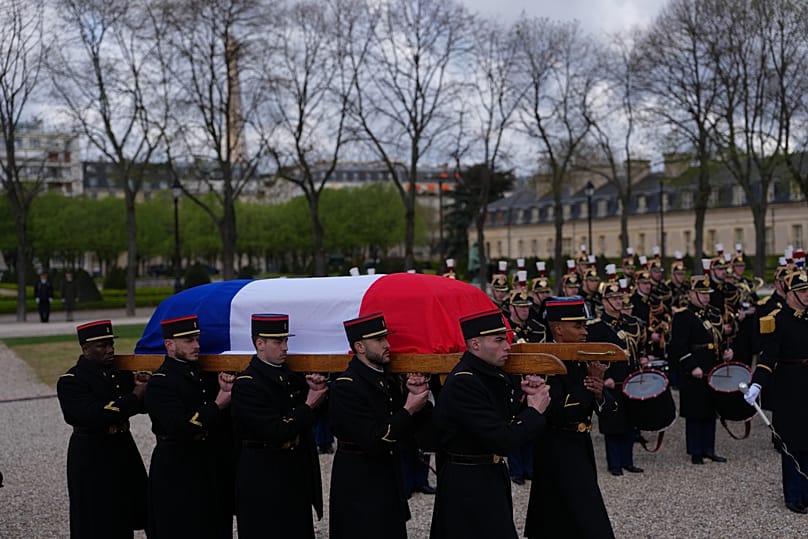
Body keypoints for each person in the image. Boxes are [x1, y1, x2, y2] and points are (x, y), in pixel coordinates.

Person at [429, 309, 549, 539]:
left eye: (506, 338)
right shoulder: (465, 381)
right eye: (499, 340)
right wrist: (534, 411)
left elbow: (499, 417)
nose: (507, 345)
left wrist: (525, 399)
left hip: (486, 475)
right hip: (469, 483)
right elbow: (503, 439)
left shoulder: (486, 375)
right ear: (475, 343)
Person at [328, 312, 431, 539]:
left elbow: (411, 429)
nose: (387, 345)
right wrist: (409, 408)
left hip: (388, 475)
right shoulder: (347, 386)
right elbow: (374, 440)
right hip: (360, 481)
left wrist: (417, 397)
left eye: (386, 338)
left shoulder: (387, 378)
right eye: (379, 340)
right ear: (360, 347)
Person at [524, 296, 616, 539]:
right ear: (558, 329)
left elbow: (610, 410)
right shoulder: (544, 361)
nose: (585, 331)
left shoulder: (581, 357)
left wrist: (598, 391)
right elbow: (563, 411)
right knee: (583, 517)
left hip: (580, 443)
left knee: (570, 515)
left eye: (584, 325)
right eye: (578, 326)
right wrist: (589, 386)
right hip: (555, 444)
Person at [230, 314, 328, 538]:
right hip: (262, 476)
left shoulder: (291, 379)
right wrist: (310, 403)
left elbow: (310, 421)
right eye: (278, 342)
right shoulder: (247, 384)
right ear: (259, 344)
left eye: (286, 341)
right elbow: (275, 431)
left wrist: (318, 396)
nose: (285, 347)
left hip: (293, 472)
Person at [144, 315, 236, 538]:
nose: (197, 345)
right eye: (188, 340)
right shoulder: (160, 382)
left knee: (214, 523)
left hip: (207, 461)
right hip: (177, 466)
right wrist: (218, 403)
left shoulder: (203, 376)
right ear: (169, 345)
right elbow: (180, 426)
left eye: (197, 339)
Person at [56, 320, 149, 538]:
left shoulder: (120, 375)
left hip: (122, 446)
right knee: (96, 516)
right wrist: (135, 395)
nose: (110, 350)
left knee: (127, 509)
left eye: (110, 344)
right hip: (91, 453)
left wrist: (144, 388)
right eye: (102, 346)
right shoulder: (72, 381)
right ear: (85, 348)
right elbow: (94, 416)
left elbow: (140, 407)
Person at [745, 268, 808, 514]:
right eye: (802, 291)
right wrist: (757, 383)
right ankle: (793, 494)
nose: (807, 295)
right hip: (789, 386)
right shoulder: (777, 320)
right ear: (791, 294)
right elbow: (767, 358)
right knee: (792, 442)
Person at [668, 276, 732, 465]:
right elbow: (678, 346)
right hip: (695, 369)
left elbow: (719, 339)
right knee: (696, 410)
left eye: (707, 294)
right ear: (690, 294)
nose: (705, 298)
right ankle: (695, 451)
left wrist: (727, 353)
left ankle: (709, 448)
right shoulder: (683, 316)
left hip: (713, 367)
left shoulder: (714, 313)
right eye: (701, 294)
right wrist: (691, 366)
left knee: (711, 408)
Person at [588, 281, 647, 476]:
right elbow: (594, 355)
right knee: (614, 422)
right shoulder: (597, 327)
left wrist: (643, 358)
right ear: (604, 302)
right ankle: (614, 463)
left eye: (619, 298)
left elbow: (637, 347)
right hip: (611, 379)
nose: (618, 302)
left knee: (631, 421)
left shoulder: (630, 322)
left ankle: (628, 460)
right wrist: (605, 377)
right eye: (613, 298)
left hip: (630, 377)